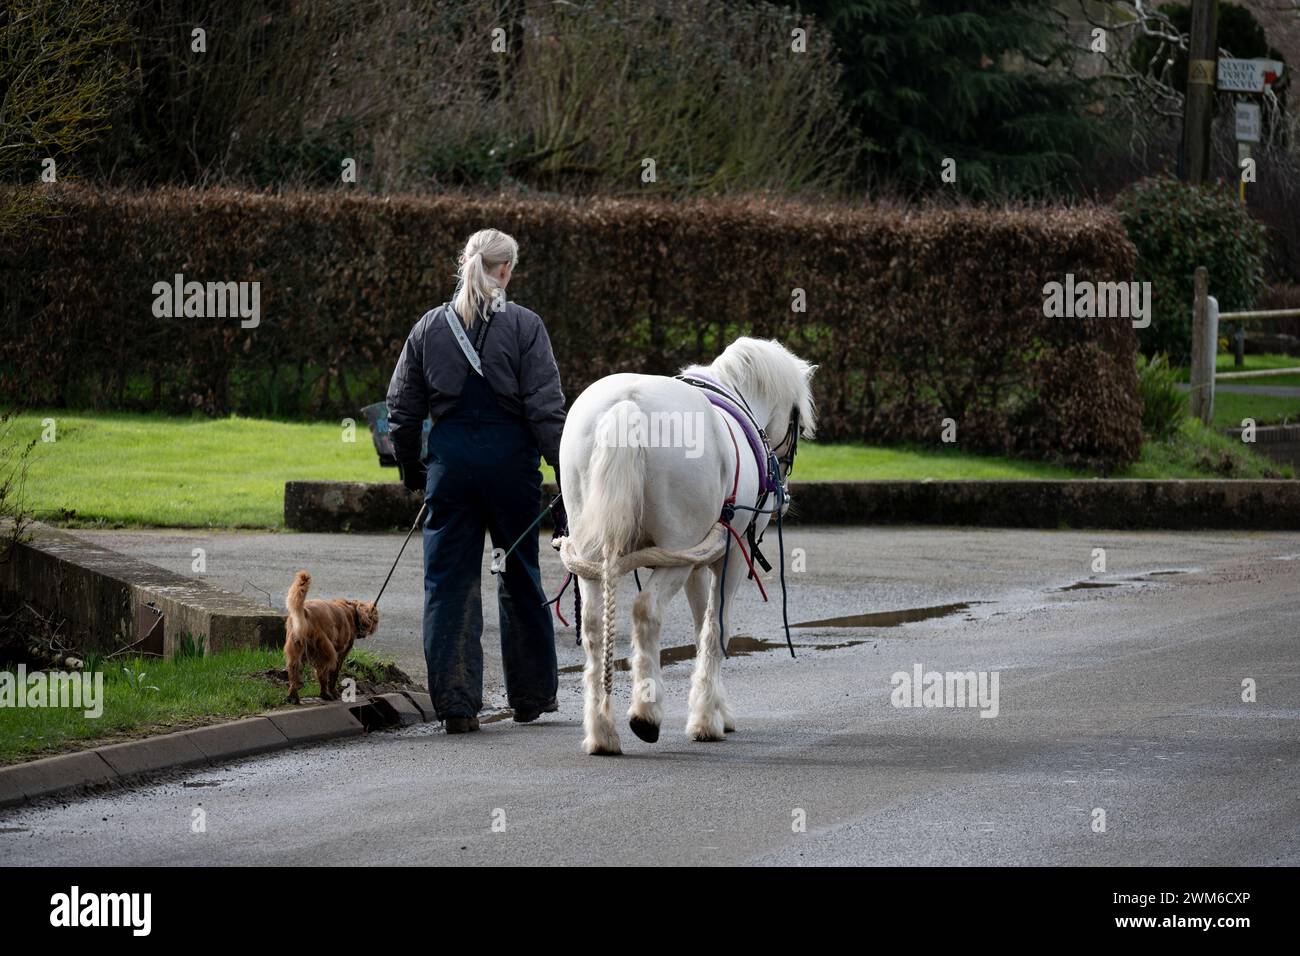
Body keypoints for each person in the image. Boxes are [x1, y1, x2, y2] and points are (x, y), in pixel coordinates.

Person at [386, 228, 566, 734]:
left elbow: (401, 411)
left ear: (465, 263)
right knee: (519, 575)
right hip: (512, 471)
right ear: (505, 271)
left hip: (453, 471)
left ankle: (458, 705)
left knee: (449, 584)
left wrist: (414, 471)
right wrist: (565, 477)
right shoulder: (527, 326)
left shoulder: (428, 327)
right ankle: (530, 697)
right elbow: (547, 412)